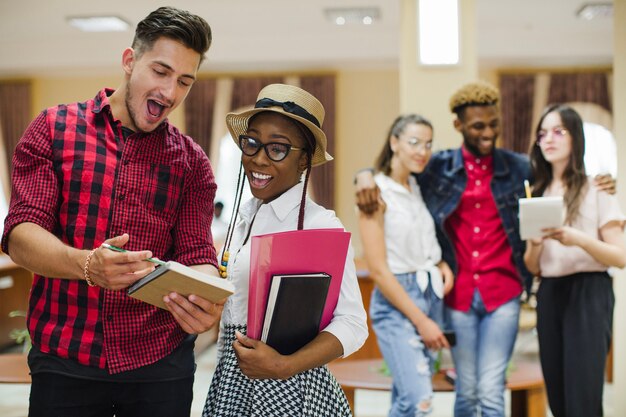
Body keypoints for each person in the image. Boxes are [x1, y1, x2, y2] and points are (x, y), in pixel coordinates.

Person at [1, 7, 223, 417]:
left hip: (161, 362)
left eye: (184, 81)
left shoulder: (192, 162)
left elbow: (197, 254)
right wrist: (87, 264)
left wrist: (204, 297)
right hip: (65, 355)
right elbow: (20, 233)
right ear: (129, 61)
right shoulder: (53, 128)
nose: (171, 92)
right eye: (161, 71)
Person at [203, 83, 368, 416]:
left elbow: (352, 323)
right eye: (252, 143)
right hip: (231, 380)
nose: (258, 159)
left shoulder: (320, 225)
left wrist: (283, 366)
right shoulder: (244, 216)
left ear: (304, 159)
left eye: (277, 148)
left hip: (291, 388)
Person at [523, 104, 625, 417]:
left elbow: (620, 257)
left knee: (583, 397)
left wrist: (576, 238)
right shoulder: (536, 192)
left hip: (589, 292)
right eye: (543, 133)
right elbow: (533, 266)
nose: (549, 139)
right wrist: (537, 245)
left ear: (575, 137)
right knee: (558, 396)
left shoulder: (598, 187)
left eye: (558, 131)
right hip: (550, 293)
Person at [358, 114, 454, 417]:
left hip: (429, 294)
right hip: (397, 302)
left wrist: (439, 263)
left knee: (405, 401)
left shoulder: (417, 186)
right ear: (394, 142)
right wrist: (422, 321)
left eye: (427, 144)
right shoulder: (374, 193)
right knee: (419, 399)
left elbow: (421, 240)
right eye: (414, 142)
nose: (422, 151)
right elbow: (379, 271)